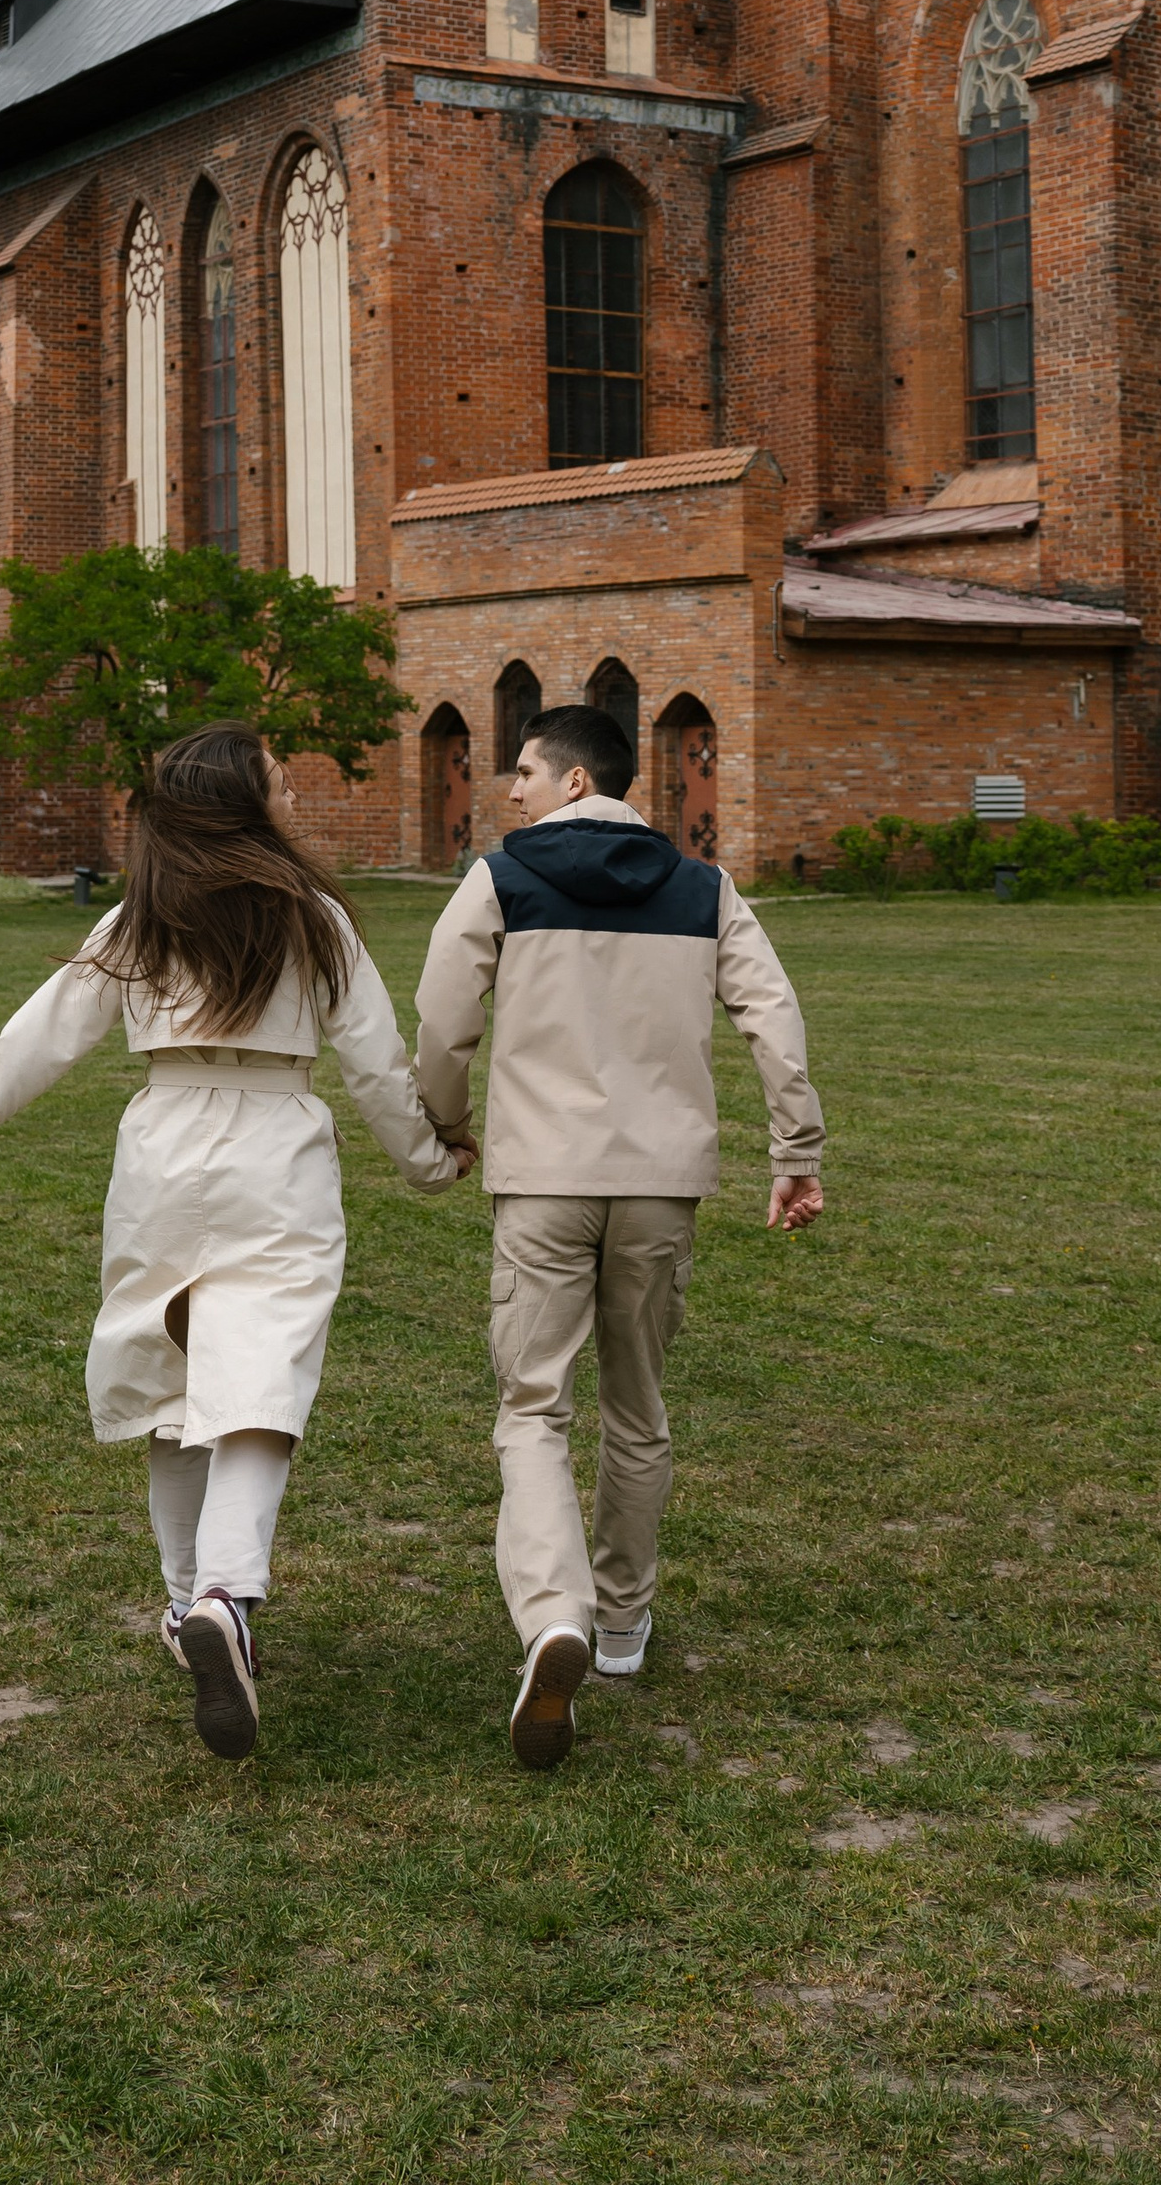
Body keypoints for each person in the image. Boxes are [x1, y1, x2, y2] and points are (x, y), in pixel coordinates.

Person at [0, 723, 473, 1760]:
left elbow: (42, 1031)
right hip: (275, 1146)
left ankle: (181, 1607)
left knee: (171, 1382)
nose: (290, 791)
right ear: (244, 801)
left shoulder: (142, 916)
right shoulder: (315, 918)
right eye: (278, 781)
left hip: (161, 1143)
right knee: (261, 1387)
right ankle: (225, 1595)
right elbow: (378, 1064)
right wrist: (429, 1162)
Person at [413, 702, 824, 1772]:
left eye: (526, 772)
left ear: (581, 782)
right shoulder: (705, 885)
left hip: (542, 1180)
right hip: (659, 1184)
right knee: (635, 1408)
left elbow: (440, 1017)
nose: (510, 790)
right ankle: (625, 1621)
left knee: (531, 1407)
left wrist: (445, 1123)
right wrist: (797, 1148)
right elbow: (771, 1016)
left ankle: (556, 1611)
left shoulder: (500, 880)